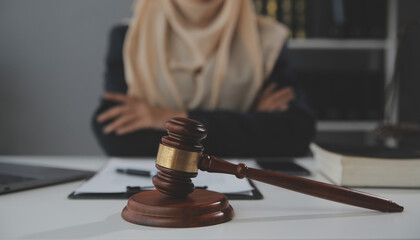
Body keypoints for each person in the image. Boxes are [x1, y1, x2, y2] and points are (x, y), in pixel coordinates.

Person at [92, 0, 315, 157]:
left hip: (245, 186)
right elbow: (116, 139)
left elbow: (294, 134)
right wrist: (249, 121)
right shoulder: (131, 38)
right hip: (154, 187)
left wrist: (166, 118)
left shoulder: (266, 42)